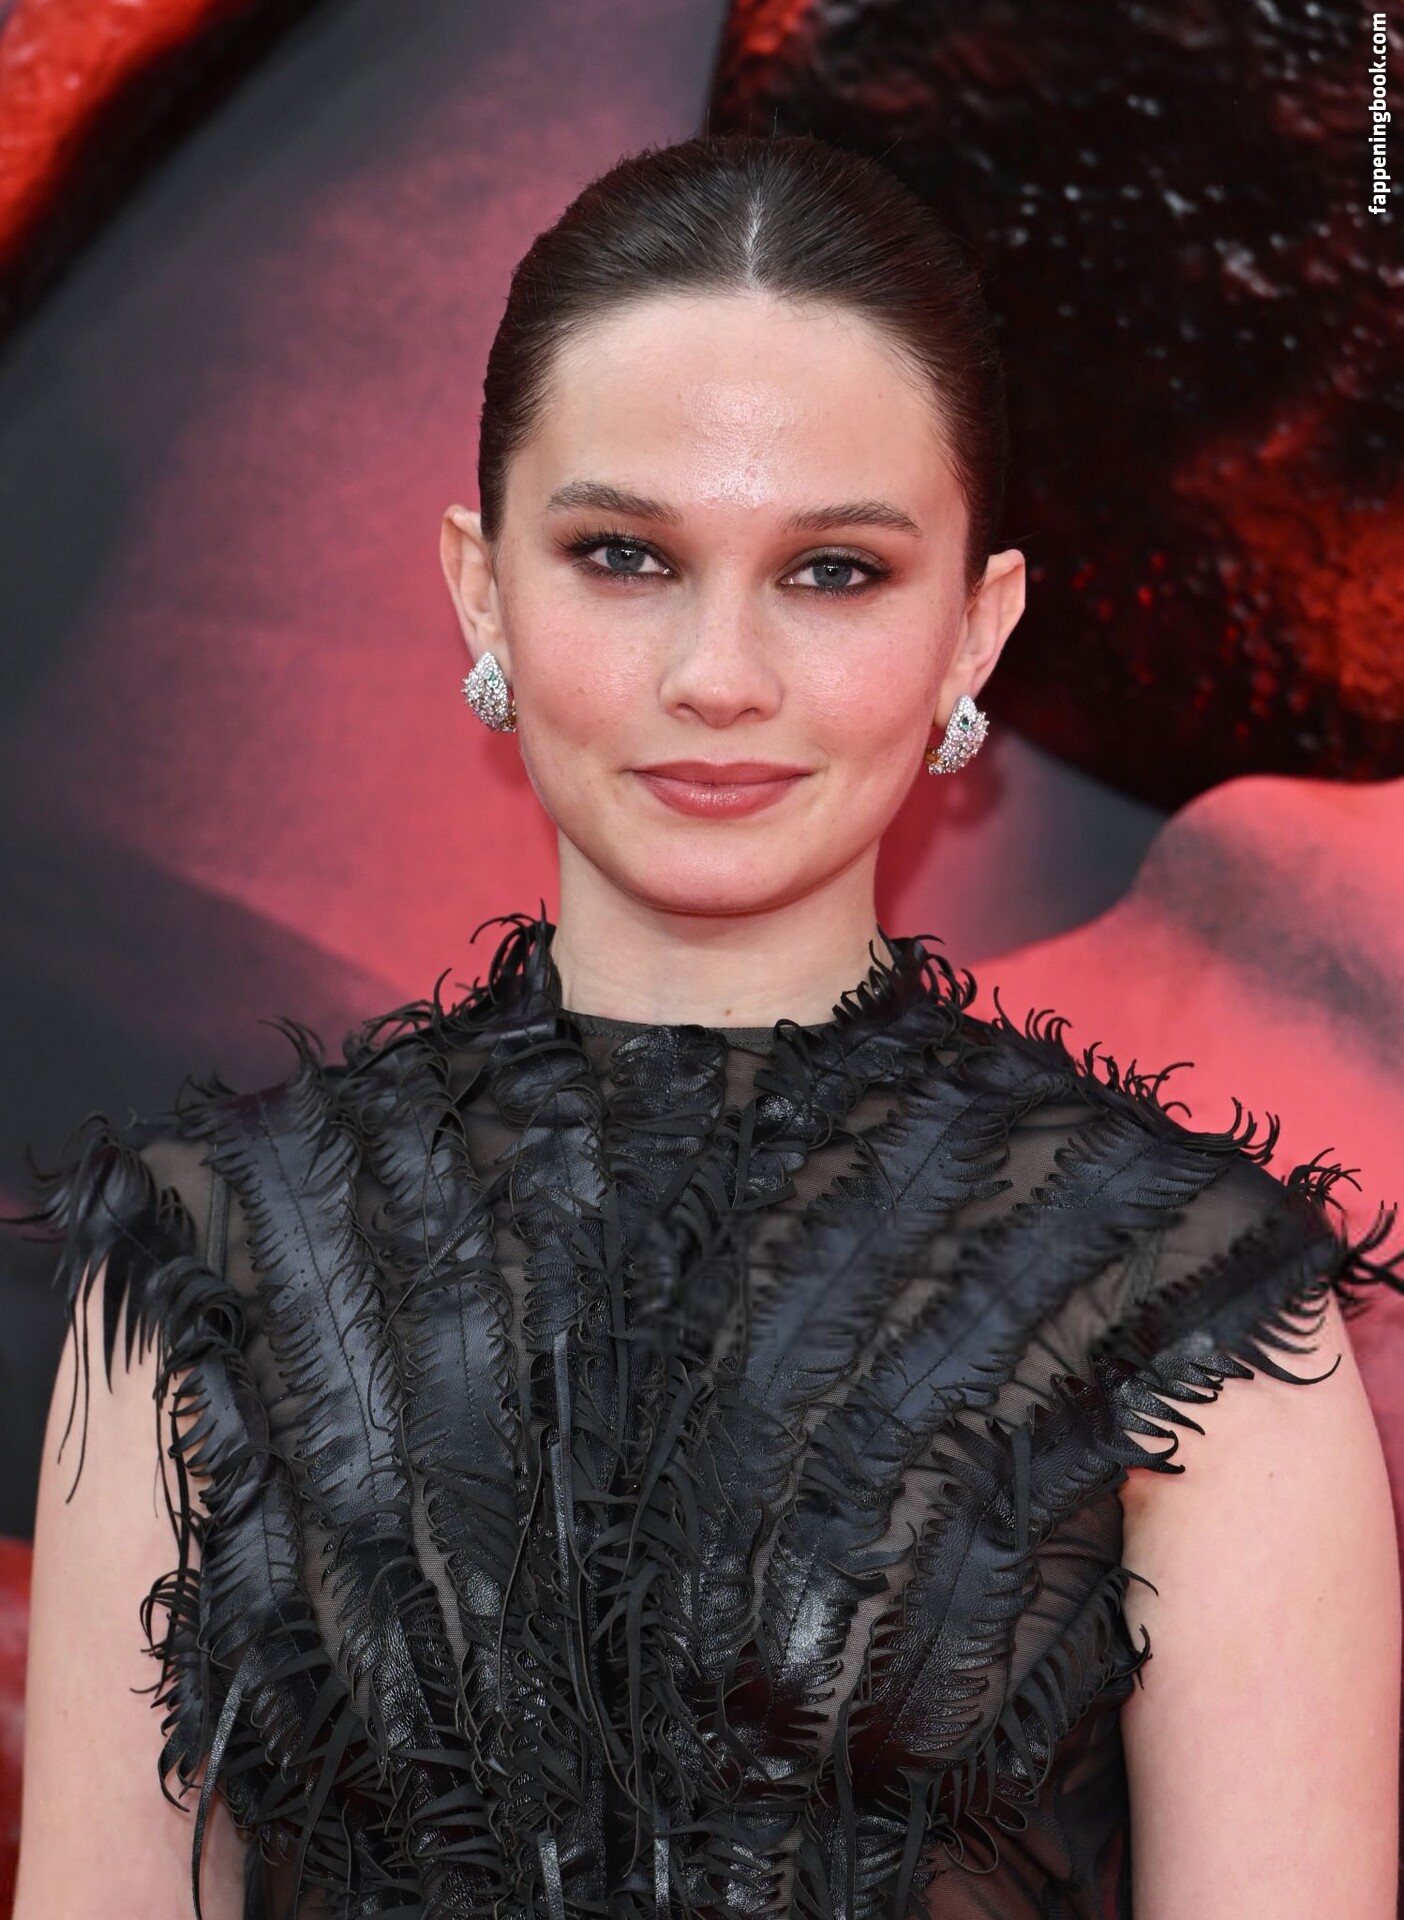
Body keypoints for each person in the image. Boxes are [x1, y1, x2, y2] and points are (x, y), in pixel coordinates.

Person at [6, 131, 1400, 1920]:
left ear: (976, 631)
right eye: (623, 555)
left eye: (833, 571)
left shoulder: (1191, 1306)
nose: (718, 677)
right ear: (482, 588)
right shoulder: (204, 1269)